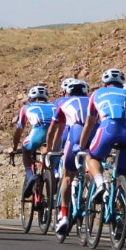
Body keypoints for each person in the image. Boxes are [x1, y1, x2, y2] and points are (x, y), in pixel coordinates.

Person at [45, 77, 95, 231]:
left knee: (67, 176)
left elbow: (54, 129)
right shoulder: (93, 99)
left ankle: (64, 215)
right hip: (96, 132)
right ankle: (95, 183)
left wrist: (50, 150)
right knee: (94, 163)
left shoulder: (61, 101)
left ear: (67, 92)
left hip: (74, 133)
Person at [83, 69, 126, 202]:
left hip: (108, 127)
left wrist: (82, 145)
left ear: (104, 83)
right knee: (125, 173)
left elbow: (89, 123)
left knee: (92, 158)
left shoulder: (97, 93)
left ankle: (101, 183)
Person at [10, 85, 57, 200]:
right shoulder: (55, 106)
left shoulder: (26, 107)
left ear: (30, 98)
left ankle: (30, 175)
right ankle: (54, 179)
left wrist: (15, 147)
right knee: (53, 158)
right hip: (56, 134)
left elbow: (19, 130)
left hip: (38, 133)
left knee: (26, 150)